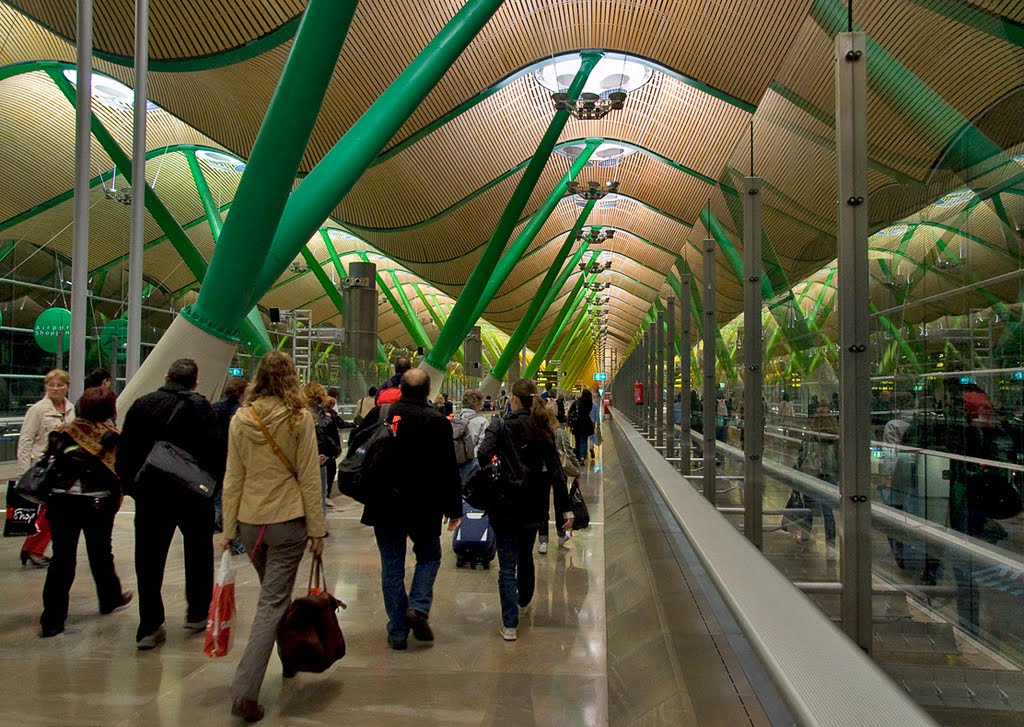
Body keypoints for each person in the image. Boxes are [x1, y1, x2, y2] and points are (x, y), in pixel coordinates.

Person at [220, 351, 327, 723]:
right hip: (288, 520)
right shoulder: (300, 419)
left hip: (252, 523)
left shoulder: (241, 419)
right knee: (272, 602)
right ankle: (245, 692)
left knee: (273, 595)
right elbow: (310, 479)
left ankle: (288, 660)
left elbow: (232, 477)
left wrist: (228, 528)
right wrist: (317, 529)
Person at [116, 358, 222, 650]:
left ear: (166, 376)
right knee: (199, 552)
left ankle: (149, 625)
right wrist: (211, 489)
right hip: (193, 495)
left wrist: (132, 486)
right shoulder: (201, 408)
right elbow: (216, 451)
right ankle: (198, 613)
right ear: (195, 381)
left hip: (151, 495)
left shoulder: (141, 405)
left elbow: (124, 450)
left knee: (148, 560)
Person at [356, 368, 462, 650]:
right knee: (429, 556)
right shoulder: (438, 422)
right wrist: (454, 508)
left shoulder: (383, 414)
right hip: (424, 506)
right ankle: (417, 605)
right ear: (428, 391)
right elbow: (448, 468)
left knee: (391, 568)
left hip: (384, 504)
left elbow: (358, 447)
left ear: (400, 388)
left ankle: (398, 631)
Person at [478, 378, 573, 641]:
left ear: (514, 399)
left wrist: (499, 465)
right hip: (533, 503)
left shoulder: (500, 426)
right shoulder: (542, 428)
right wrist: (566, 510)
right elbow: (556, 471)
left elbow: (483, 454)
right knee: (525, 555)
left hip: (505, 503)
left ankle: (509, 625)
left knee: (506, 564)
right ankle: (523, 601)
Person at [38, 386, 132, 637]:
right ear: (109, 410)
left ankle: (52, 620)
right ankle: (110, 598)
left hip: (60, 501)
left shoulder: (64, 432)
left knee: (62, 558)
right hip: (97, 504)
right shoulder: (113, 437)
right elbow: (121, 472)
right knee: (100, 553)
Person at [17, 369, 75, 568]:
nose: (56, 388)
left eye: (60, 385)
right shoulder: (38, 410)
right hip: (42, 467)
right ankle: (34, 549)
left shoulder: (71, 409)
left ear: (67, 386)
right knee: (52, 512)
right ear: (45, 386)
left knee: (51, 512)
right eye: (52, 385)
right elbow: (25, 440)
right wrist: (25, 471)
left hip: (62, 468)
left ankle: (32, 547)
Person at [794, 407, 838, 551]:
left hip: (811, 474)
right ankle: (831, 543)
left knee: (809, 507)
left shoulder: (810, 436)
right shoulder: (835, 437)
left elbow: (801, 455)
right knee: (828, 511)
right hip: (830, 475)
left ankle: (806, 535)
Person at [213, 376, 248, 535]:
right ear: (243, 392)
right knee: (231, 500)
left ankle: (213, 527)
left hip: (214, 460)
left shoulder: (214, 408)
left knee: (216, 498)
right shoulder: (241, 414)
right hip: (232, 460)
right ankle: (233, 537)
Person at [305, 382, 341, 510]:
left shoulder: (300, 413)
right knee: (321, 490)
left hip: (307, 456)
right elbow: (330, 433)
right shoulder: (326, 414)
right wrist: (336, 450)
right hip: (322, 456)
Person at [456, 390, 489, 482]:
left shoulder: (456, 419)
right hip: (473, 461)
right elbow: (483, 444)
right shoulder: (482, 421)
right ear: (476, 404)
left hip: (456, 460)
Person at [567, 388, 595, 462]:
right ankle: (583, 455)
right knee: (584, 440)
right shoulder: (589, 403)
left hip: (577, 424)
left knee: (577, 439)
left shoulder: (577, 402)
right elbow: (589, 410)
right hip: (586, 424)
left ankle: (578, 456)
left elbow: (570, 411)